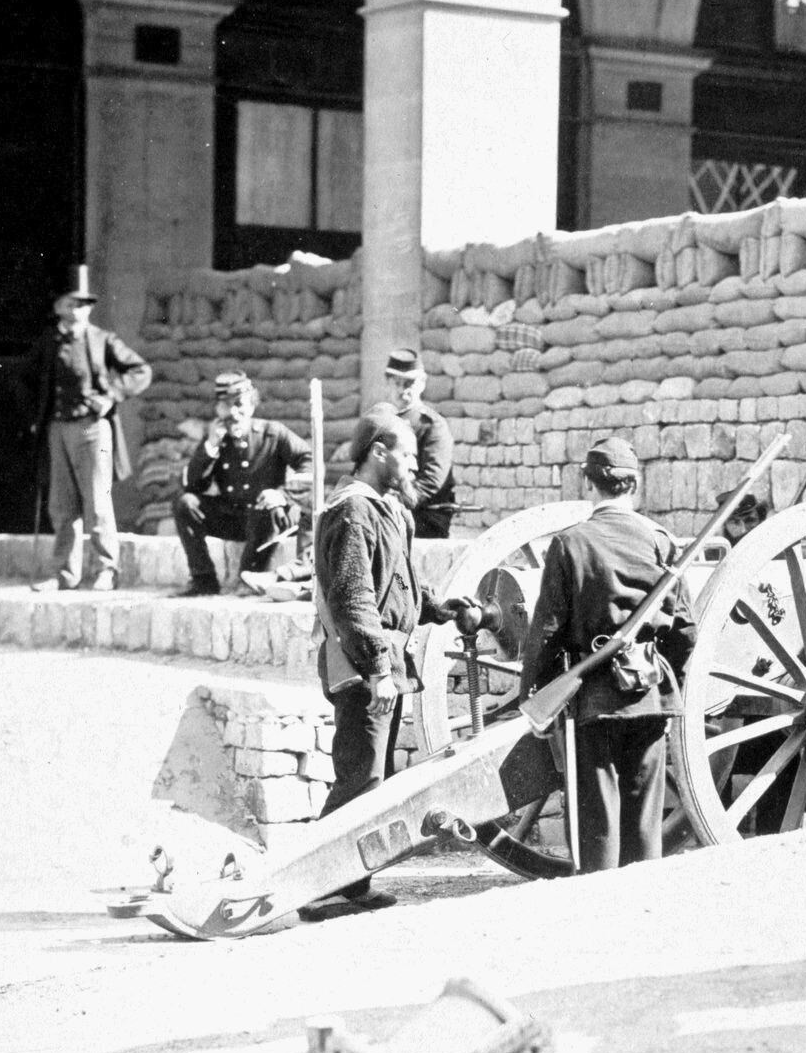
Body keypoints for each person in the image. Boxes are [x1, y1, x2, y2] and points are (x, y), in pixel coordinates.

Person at [312, 408, 472, 908]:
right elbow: (354, 598)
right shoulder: (352, 511)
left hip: (381, 665)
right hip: (363, 667)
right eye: (407, 455)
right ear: (378, 453)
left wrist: (445, 609)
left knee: (371, 781)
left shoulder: (388, 511)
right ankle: (313, 888)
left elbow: (400, 586)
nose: (413, 466)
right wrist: (379, 669)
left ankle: (349, 885)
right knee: (359, 778)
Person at [520, 439, 697, 872]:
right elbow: (686, 630)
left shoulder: (570, 544)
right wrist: (659, 670)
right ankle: (640, 908)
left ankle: (598, 906)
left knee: (595, 816)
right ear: (634, 485)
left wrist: (534, 696)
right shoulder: (661, 542)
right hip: (649, 695)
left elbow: (546, 632)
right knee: (644, 817)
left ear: (589, 484)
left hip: (592, 697)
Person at [27, 264, 150, 593]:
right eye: (71, 304)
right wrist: (38, 415)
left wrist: (112, 395)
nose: (77, 310)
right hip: (59, 430)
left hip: (93, 430)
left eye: (83, 305)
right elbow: (26, 378)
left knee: (97, 501)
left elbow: (140, 370)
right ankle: (64, 574)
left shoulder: (102, 340)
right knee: (61, 505)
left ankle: (107, 569)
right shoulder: (50, 343)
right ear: (58, 309)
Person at [170, 371, 313, 597]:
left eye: (240, 404)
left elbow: (311, 463)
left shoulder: (272, 433)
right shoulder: (217, 440)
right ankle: (203, 580)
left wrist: (283, 495)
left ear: (253, 406)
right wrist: (210, 448)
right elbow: (191, 485)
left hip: (270, 519)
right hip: (234, 519)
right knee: (184, 503)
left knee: (266, 506)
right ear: (217, 410)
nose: (234, 413)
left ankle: (249, 578)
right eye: (226, 406)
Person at [383, 349, 459, 538]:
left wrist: (395, 501)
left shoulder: (432, 426)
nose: (402, 390)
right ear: (388, 384)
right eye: (397, 383)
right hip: (389, 511)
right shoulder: (383, 422)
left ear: (422, 384)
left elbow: (431, 482)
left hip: (424, 517)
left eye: (409, 383)